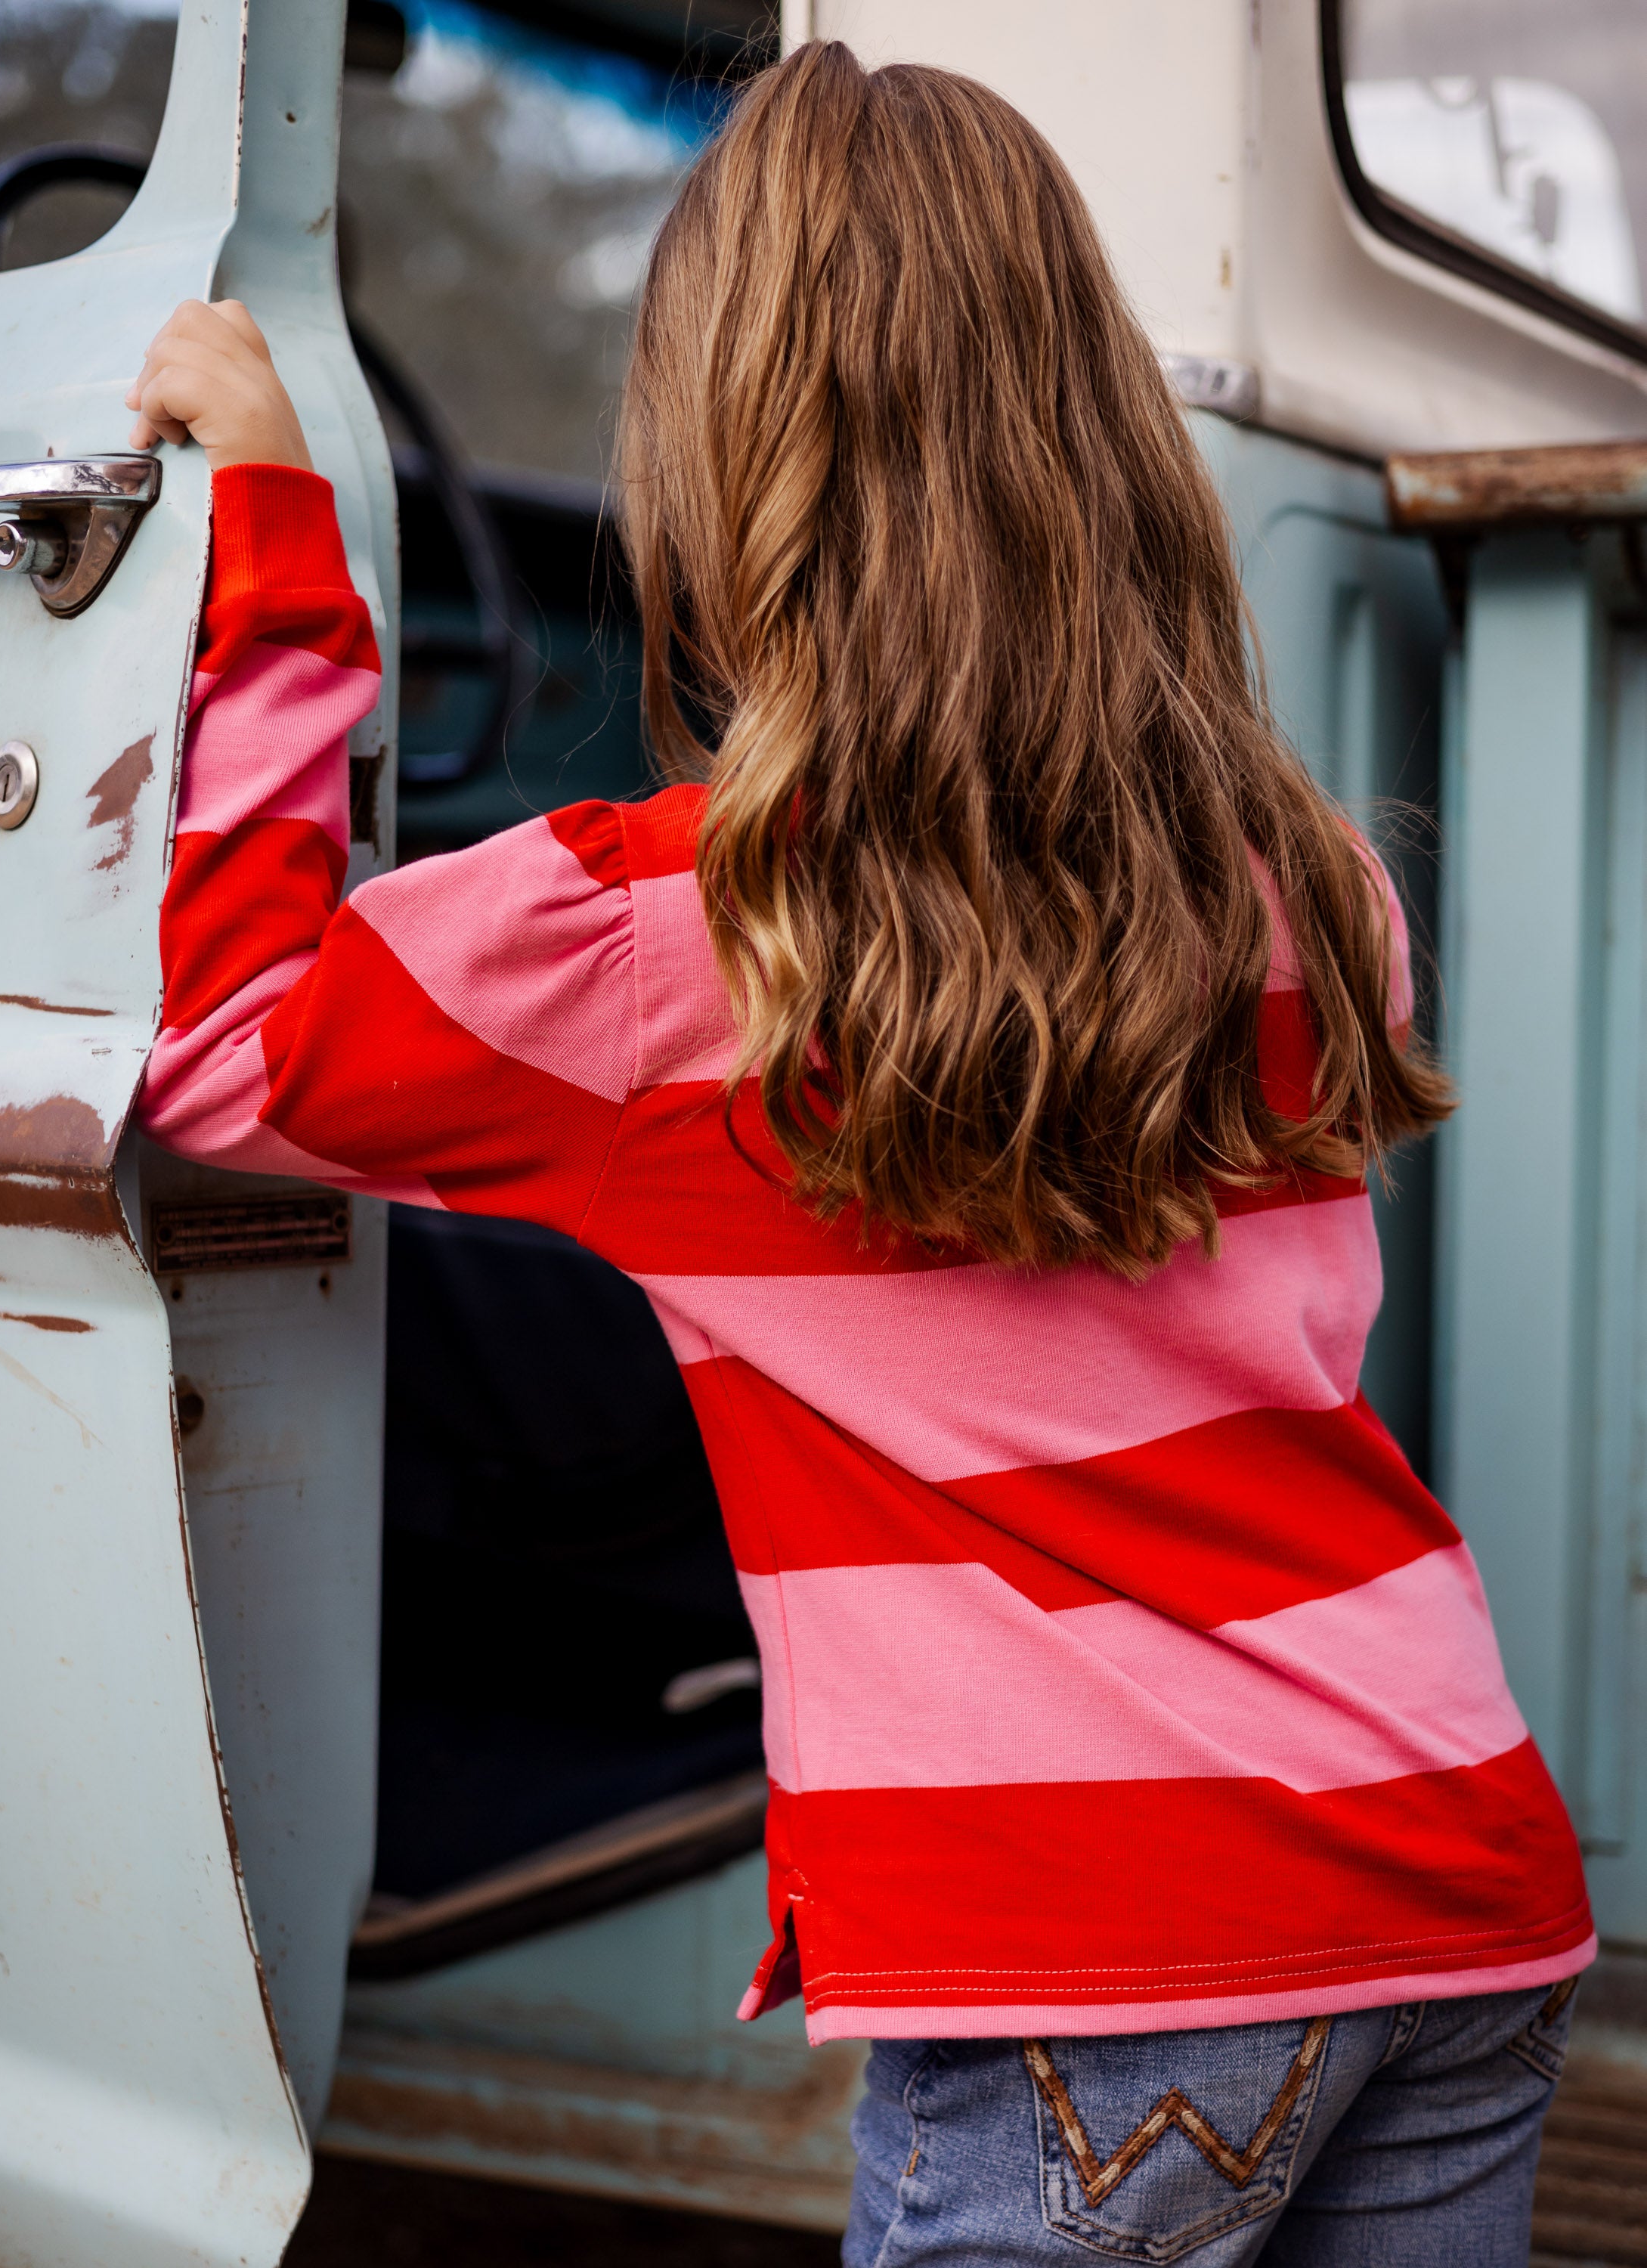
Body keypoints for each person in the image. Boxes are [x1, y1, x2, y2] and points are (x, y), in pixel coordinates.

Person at [128, 40, 1590, 2267]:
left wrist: (277, 542)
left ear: (723, 460)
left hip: (1087, 1970)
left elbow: (225, 1055)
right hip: (1453, 1877)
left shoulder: (656, 938)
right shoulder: (1313, 893)